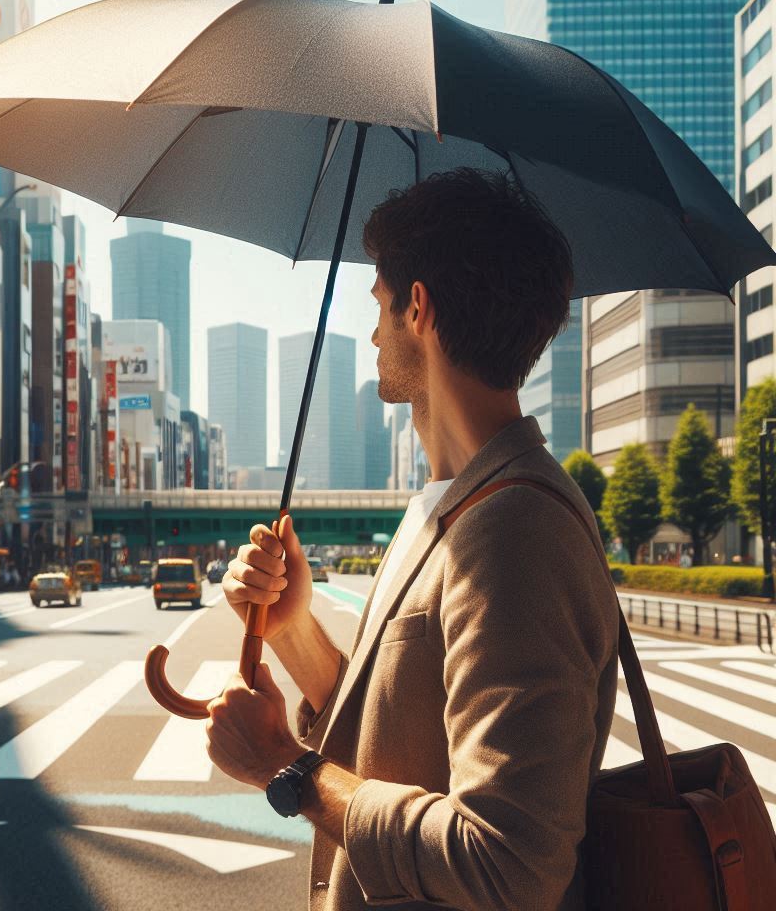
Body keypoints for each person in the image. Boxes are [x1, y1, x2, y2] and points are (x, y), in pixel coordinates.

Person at [209, 169, 619, 911]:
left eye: (378, 304)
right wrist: (293, 627)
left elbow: (508, 865)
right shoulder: (448, 506)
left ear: (418, 307)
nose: (371, 333)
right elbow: (392, 733)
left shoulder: (516, 532)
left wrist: (287, 768)